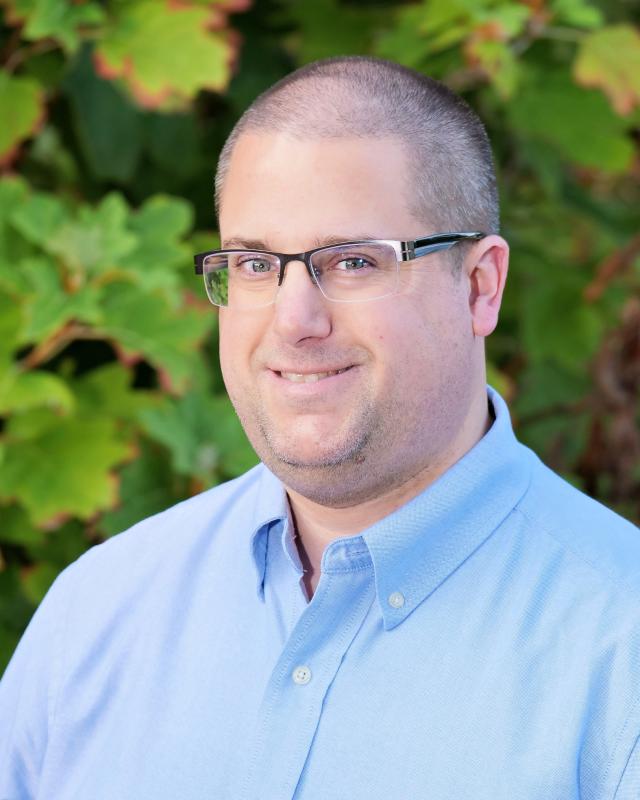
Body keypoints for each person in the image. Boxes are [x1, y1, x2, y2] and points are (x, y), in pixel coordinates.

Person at [1, 56, 638, 800]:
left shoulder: (619, 647)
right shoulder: (100, 611)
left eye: (354, 262)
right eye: (253, 264)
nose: (293, 320)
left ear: (479, 286)